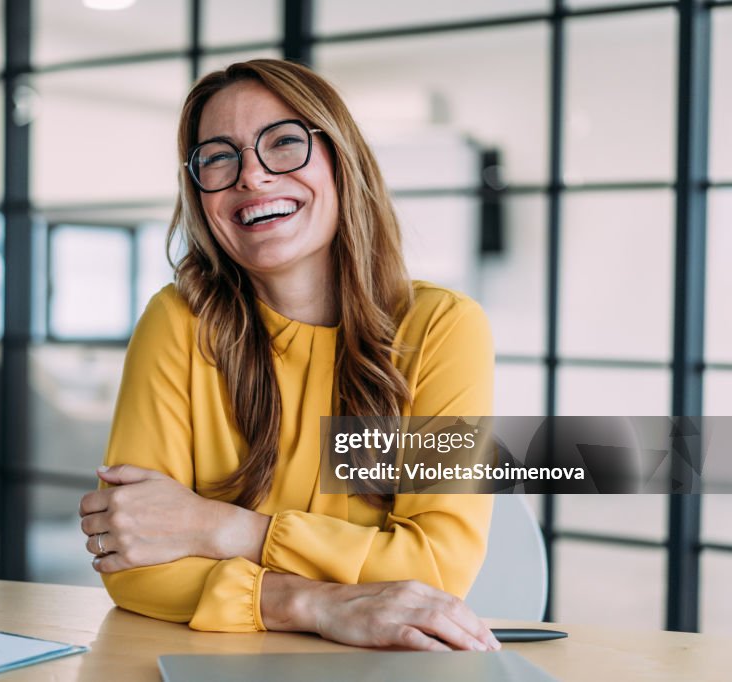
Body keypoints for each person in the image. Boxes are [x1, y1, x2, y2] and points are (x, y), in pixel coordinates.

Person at [78, 59, 499, 653]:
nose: (252, 177)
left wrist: (217, 528)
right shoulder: (178, 320)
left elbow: (435, 570)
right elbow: (136, 565)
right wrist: (317, 603)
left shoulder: (441, 329)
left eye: (283, 143)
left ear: (341, 161)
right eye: (219, 157)